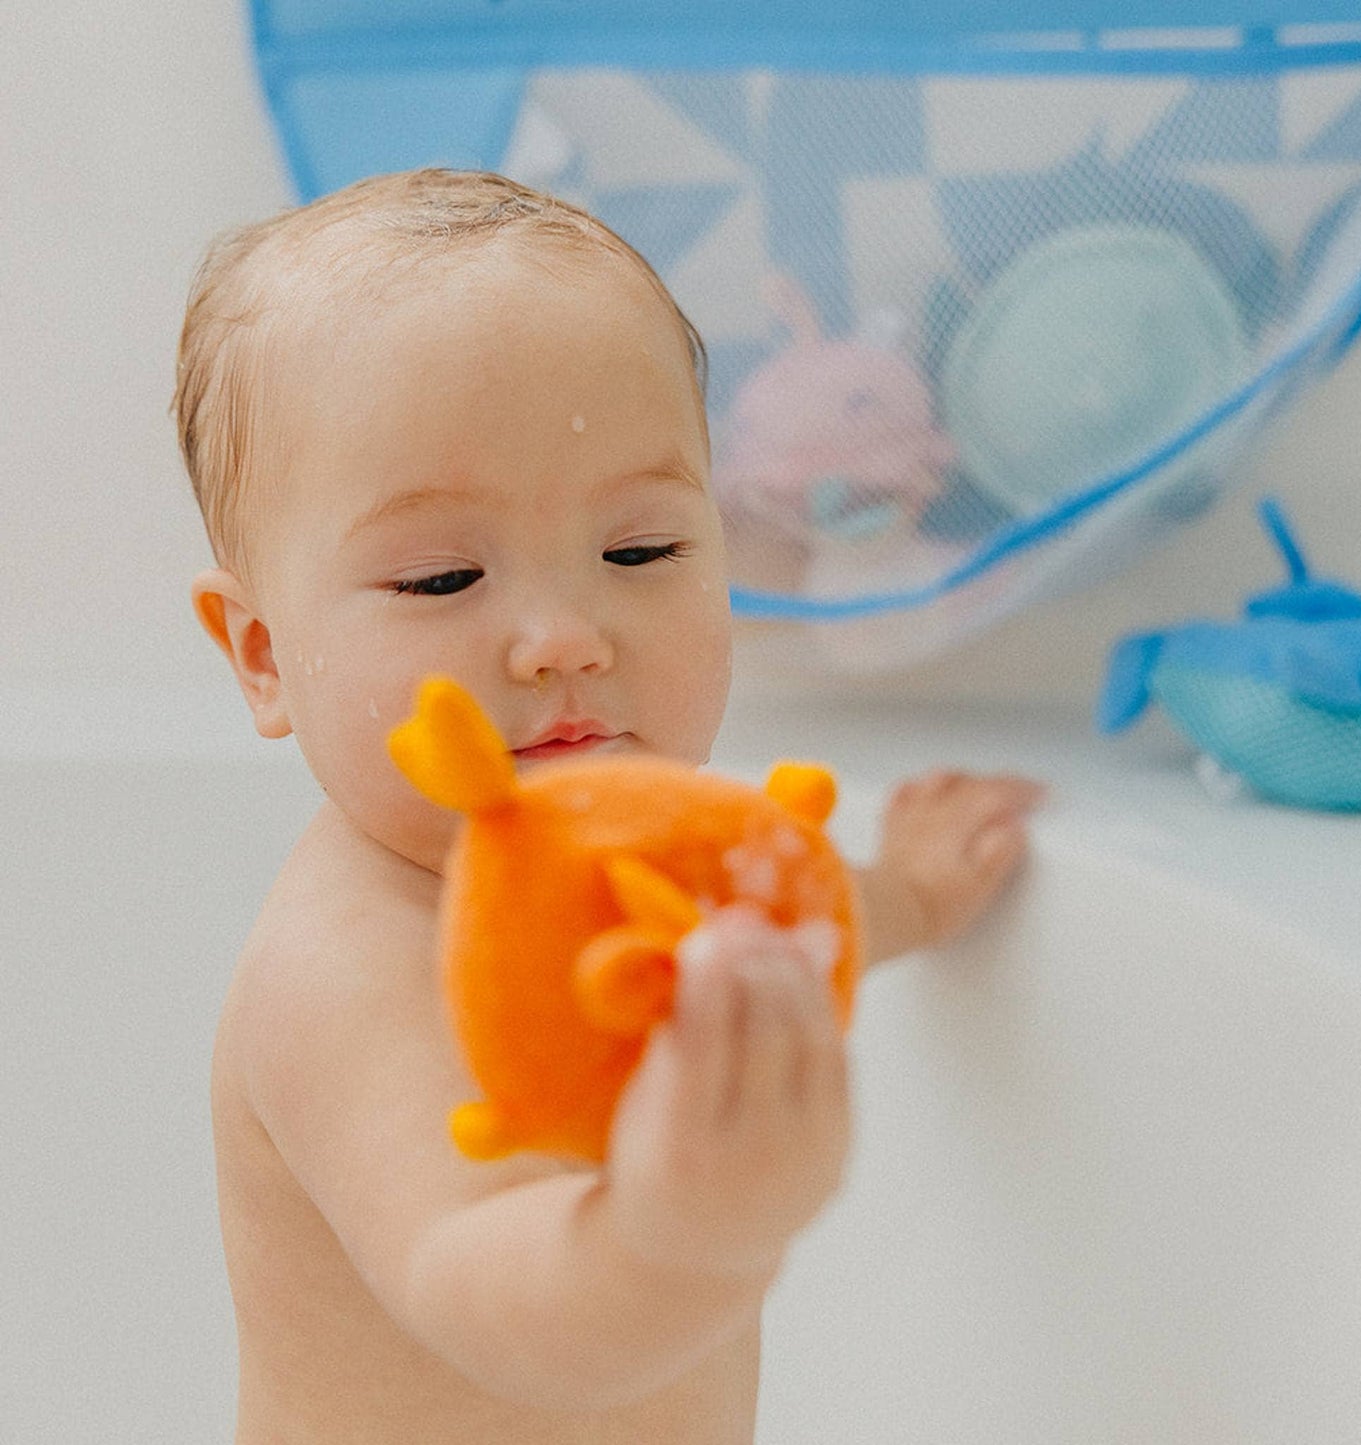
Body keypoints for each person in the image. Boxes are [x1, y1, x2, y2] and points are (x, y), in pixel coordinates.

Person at [176, 167, 1042, 1444]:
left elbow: (770, 928)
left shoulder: (639, 837)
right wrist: (675, 1236)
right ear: (261, 654)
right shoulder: (351, 967)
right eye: (442, 576)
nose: (564, 637)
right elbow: (476, 1281)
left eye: (640, 551)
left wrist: (904, 894)